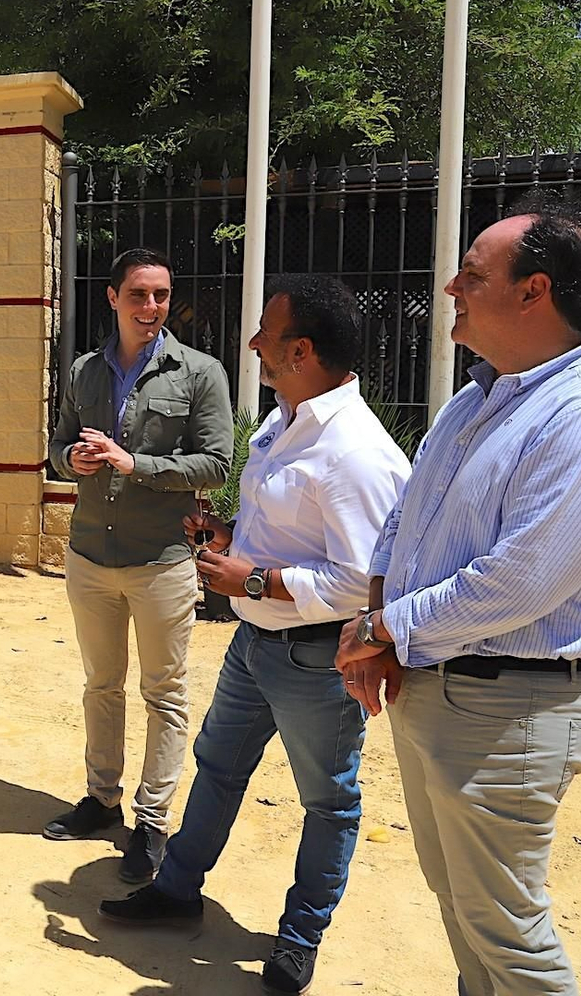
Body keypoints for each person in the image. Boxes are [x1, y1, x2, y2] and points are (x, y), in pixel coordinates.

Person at [337, 196, 581, 996]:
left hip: (510, 711)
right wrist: (384, 629)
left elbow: (521, 580)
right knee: (464, 912)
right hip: (441, 690)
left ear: (534, 291)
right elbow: (406, 519)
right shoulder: (476, 398)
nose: (453, 287)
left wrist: (384, 626)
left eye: (472, 273)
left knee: (509, 935)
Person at [100, 274, 411, 995]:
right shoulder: (285, 418)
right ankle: (177, 892)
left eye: (266, 334)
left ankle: (299, 939)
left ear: (301, 350)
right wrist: (232, 538)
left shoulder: (356, 453)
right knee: (217, 766)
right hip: (256, 645)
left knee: (328, 801)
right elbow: (291, 538)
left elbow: (365, 583)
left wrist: (252, 580)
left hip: (317, 658)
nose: (253, 344)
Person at [44, 247, 233, 882]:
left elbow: (215, 462)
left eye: (160, 295)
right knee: (102, 685)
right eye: (139, 295)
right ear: (113, 298)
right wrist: (75, 459)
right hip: (91, 553)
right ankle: (102, 801)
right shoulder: (85, 371)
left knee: (165, 693)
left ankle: (152, 823)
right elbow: (58, 446)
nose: (151, 307)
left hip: (161, 560)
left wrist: (134, 464)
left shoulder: (200, 371)